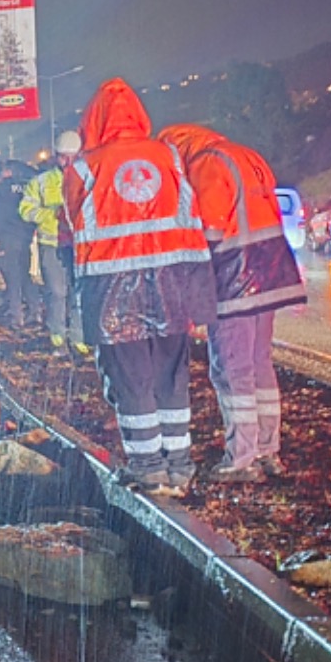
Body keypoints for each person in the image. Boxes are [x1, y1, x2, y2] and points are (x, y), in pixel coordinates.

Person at [64, 79, 217, 493]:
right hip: (172, 282)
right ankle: (180, 465)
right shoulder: (167, 155)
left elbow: (72, 222)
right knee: (171, 375)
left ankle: (148, 466)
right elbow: (190, 218)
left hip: (112, 287)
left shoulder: (84, 165)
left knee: (131, 378)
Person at [158, 123, 306, 482]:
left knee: (231, 368)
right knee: (259, 365)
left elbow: (209, 229)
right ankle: (269, 449)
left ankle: (241, 458)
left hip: (235, 276)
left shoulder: (207, 164)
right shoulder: (246, 155)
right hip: (270, 270)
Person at [22, 132, 90, 355]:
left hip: (79, 245)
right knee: (57, 292)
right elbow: (25, 209)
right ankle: (58, 336)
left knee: (77, 293)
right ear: (56, 156)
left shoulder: (87, 177)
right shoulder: (41, 181)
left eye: (72, 157)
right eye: (63, 157)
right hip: (51, 243)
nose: (68, 162)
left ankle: (78, 336)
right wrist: (50, 215)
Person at [0, 161, 38, 329]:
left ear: (7, 172)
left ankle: (16, 317)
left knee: (12, 277)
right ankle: (35, 311)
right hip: (24, 237)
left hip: (7, 237)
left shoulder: (2, 189)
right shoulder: (27, 187)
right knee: (25, 275)